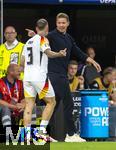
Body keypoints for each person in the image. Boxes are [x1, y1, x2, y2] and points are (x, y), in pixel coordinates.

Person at [26, 13, 101, 142]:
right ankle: (71, 134)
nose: (61, 25)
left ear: (68, 24)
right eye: (59, 22)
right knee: (68, 104)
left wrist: (92, 61)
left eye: (63, 23)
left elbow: (78, 52)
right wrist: (35, 35)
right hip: (54, 76)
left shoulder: (69, 38)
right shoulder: (52, 36)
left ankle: (42, 133)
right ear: (56, 23)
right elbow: (42, 37)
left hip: (60, 76)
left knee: (53, 107)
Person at [21, 18, 67, 142]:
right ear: (47, 28)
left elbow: (22, 62)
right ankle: (41, 133)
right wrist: (59, 54)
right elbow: (48, 53)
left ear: (36, 28)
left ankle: (27, 136)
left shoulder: (28, 42)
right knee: (51, 102)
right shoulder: (43, 39)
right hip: (40, 77)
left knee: (29, 105)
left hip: (27, 77)